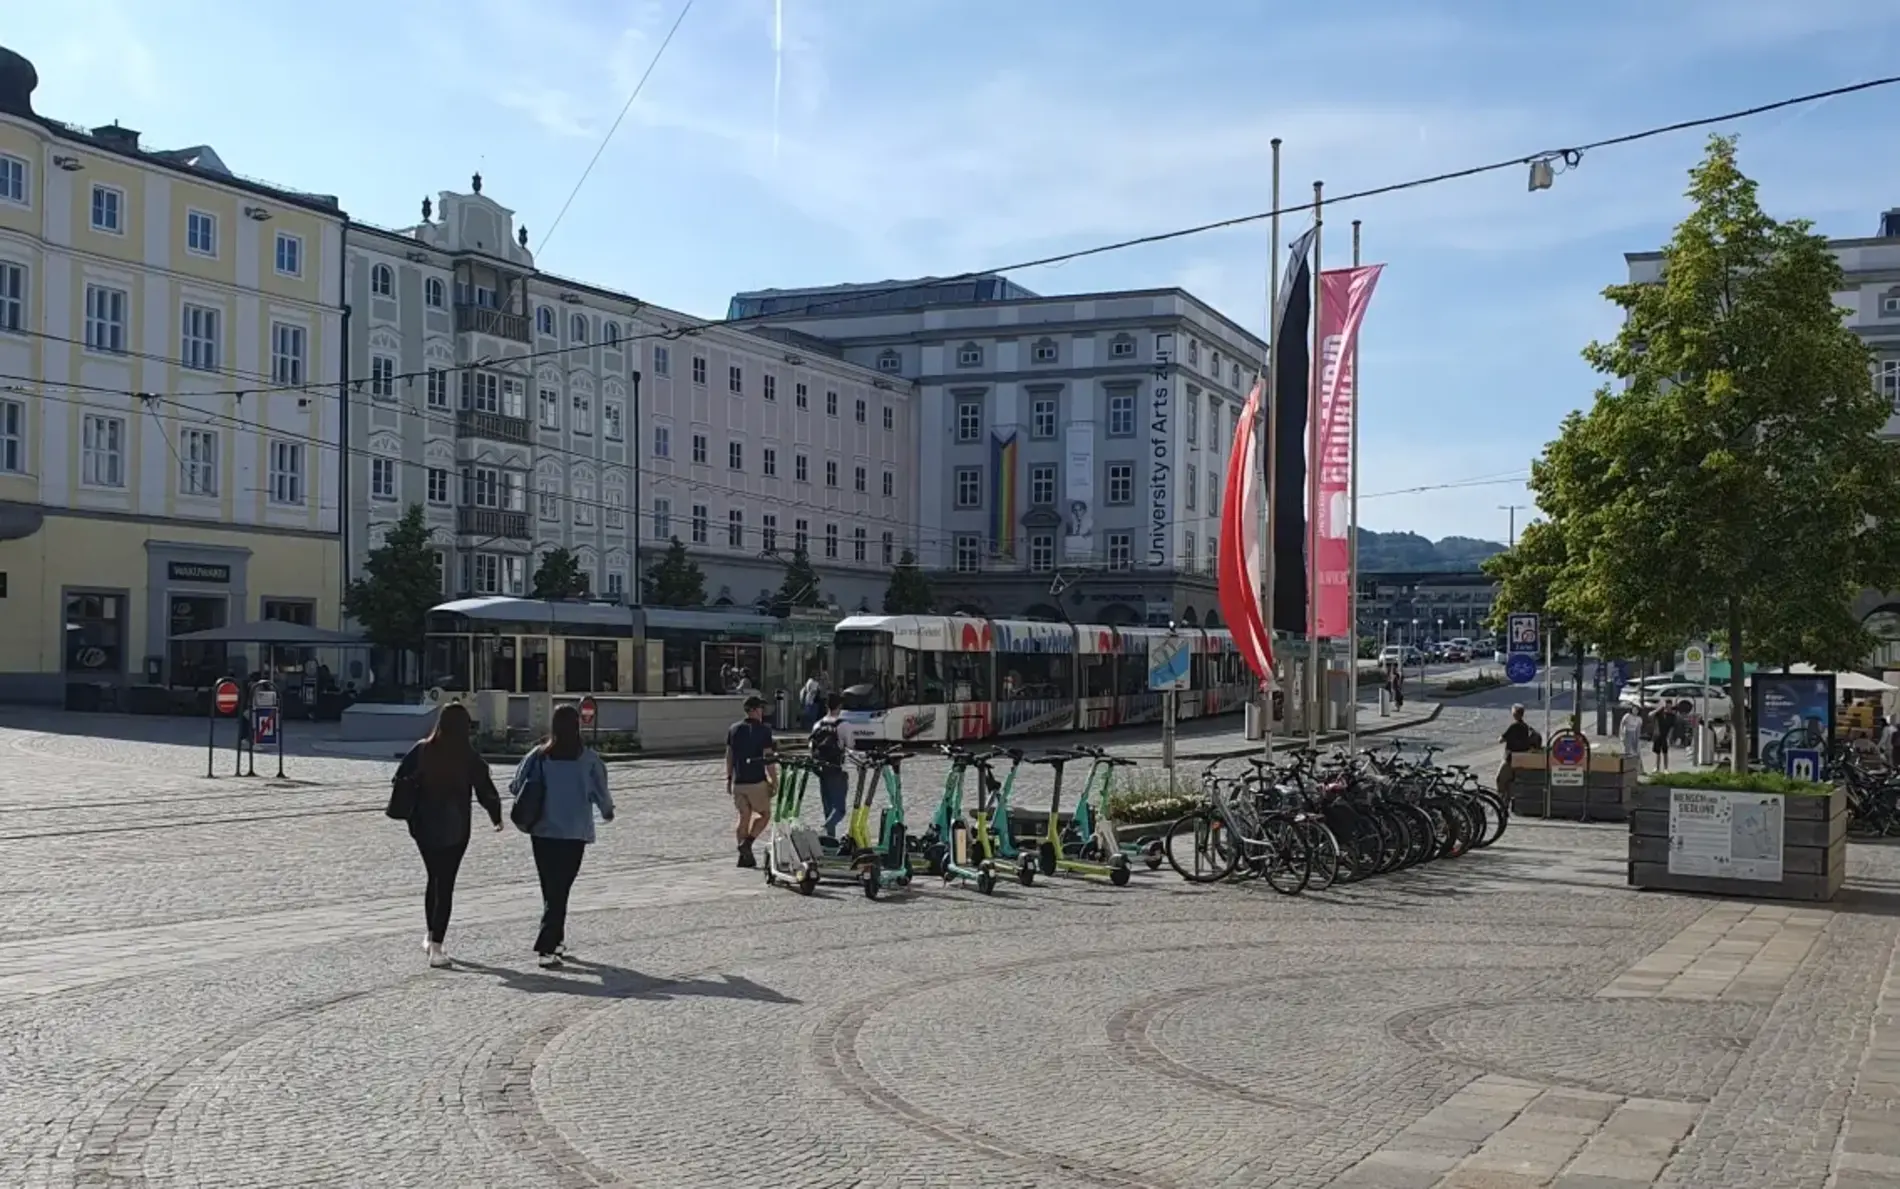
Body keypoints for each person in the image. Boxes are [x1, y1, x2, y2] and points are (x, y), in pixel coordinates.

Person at [392, 701, 503, 968]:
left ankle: (431, 936)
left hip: (424, 827)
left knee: (434, 878)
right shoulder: (468, 755)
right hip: (456, 828)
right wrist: (496, 817)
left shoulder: (422, 750)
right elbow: (485, 789)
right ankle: (437, 946)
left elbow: (399, 779)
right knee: (446, 883)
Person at [512, 704, 614, 969]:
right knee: (560, 890)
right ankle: (546, 947)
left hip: (543, 832)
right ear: (577, 726)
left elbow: (515, 786)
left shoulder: (539, 755)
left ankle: (556, 942)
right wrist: (606, 812)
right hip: (573, 834)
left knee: (551, 889)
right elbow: (602, 795)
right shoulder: (589, 759)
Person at [727, 694, 779, 867]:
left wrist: (729, 778)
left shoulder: (733, 729)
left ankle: (744, 858)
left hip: (739, 782)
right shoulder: (764, 730)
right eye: (761, 709)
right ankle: (747, 843)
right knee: (765, 815)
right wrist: (774, 780)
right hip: (757, 782)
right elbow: (768, 757)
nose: (762, 712)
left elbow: (729, 756)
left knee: (744, 817)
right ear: (754, 710)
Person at [810, 692, 849, 838]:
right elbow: (850, 746)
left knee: (827, 806)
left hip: (821, 769)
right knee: (839, 808)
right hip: (836, 769)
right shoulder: (843, 724)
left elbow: (811, 747)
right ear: (840, 706)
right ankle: (825, 829)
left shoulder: (817, 725)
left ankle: (830, 838)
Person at [1496, 704, 1539, 797]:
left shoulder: (1513, 726)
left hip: (1510, 759)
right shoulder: (1525, 726)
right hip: (1522, 758)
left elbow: (1501, 740)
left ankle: (1502, 800)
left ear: (1514, 714)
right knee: (1513, 780)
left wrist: (1501, 737)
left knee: (1500, 779)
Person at [1651, 700, 1678, 771]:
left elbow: (1672, 727)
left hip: (1665, 736)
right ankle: (1656, 767)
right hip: (1657, 734)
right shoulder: (1659, 713)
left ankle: (1666, 768)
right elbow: (1650, 715)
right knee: (1657, 752)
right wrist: (1658, 709)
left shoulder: (1672, 716)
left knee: (1665, 752)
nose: (1668, 708)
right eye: (1666, 706)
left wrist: (1669, 738)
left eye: (1669, 707)